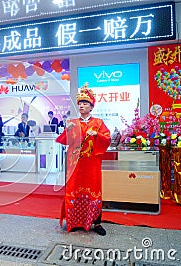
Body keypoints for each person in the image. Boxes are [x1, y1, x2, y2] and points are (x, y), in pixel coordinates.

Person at [55, 84, 110, 236]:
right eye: (80, 103)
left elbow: (107, 139)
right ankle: (74, 222)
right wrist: (68, 129)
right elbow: (64, 141)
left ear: (91, 106)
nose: (81, 106)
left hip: (91, 164)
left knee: (94, 190)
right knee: (74, 189)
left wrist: (96, 135)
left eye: (85, 103)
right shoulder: (73, 122)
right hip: (75, 165)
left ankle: (96, 222)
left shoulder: (98, 123)